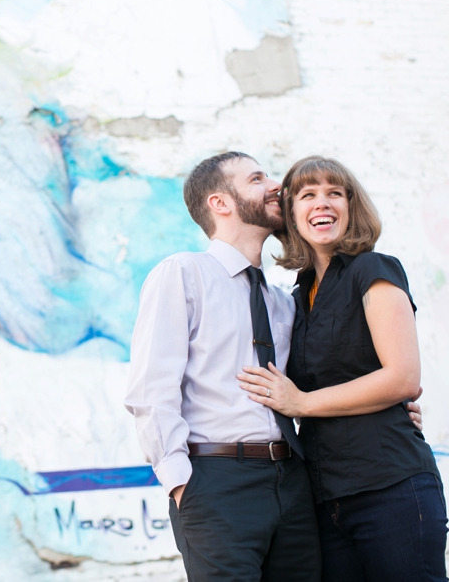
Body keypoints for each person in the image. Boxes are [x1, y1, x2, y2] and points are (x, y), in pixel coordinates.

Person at [236, 155, 447, 582]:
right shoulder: (295, 299)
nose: (323, 203)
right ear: (291, 213)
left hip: (390, 487)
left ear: (352, 206)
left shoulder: (374, 269)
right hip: (322, 497)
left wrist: (303, 403)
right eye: (308, 195)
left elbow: (403, 377)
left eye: (335, 193)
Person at [124, 151, 321, 582]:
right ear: (220, 203)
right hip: (215, 481)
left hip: (293, 480)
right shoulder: (183, 273)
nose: (276, 186)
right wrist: (182, 486)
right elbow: (150, 389)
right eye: (256, 178)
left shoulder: (283, 302)